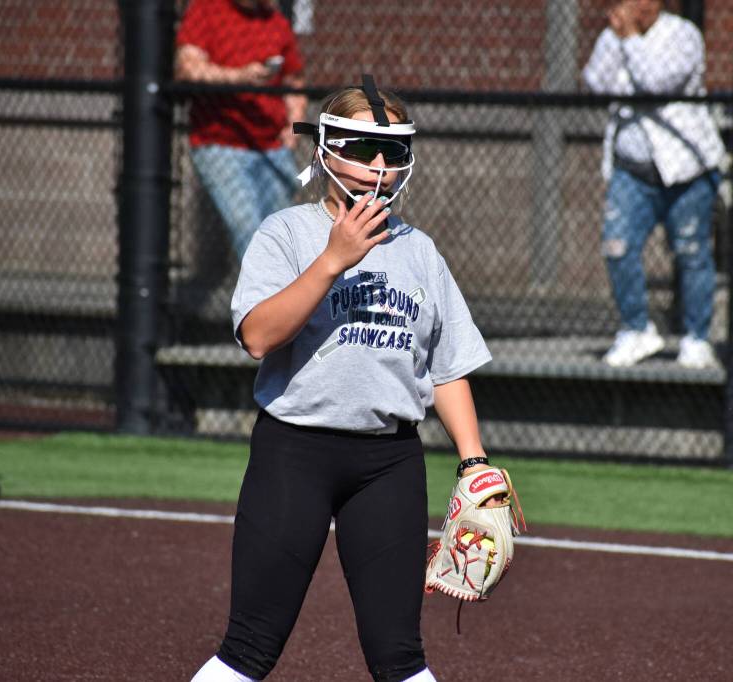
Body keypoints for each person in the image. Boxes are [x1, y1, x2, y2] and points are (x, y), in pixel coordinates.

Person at [190, 77, 496, 682]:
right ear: (325, 150)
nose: (378, 167)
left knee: (400, 657)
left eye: (393, 152)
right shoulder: (286, 233)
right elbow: (257, 336)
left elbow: (447, 365)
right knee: (250, 647)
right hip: (295, 451)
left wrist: (473, 462)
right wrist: (333, 260)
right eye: (360, 149)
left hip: (389, 463)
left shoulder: (420, 251)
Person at [582, 0, 725, 368]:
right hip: (631, 170)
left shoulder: (683, 35)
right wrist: (618, 39)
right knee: (617, 246)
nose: (624, 7)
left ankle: (696, 338)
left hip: (685, 168)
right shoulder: (615, 36)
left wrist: (628, 39)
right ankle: (636, 329)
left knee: (692, 253)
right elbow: (596, 82)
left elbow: (655, 82)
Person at [175, 0, 307, 260]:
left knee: (282, 238)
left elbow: (295, 81)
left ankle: (281, 298)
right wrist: (239, 77)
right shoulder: (207, 10)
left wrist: (295, 125)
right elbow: (187, 68)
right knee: (252, 236)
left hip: (272, 147)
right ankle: (266, 299)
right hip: (221, 145)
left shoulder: (274, 21)